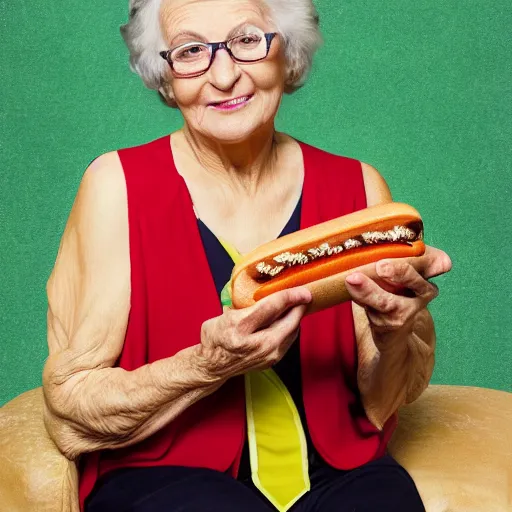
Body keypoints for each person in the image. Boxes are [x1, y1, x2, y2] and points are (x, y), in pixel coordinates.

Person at [42, 0, 452, 511]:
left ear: (288, 52)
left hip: (336, 473)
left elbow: (381, 401)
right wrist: (204, 365)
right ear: (166, 76)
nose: (225, 75)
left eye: (247, 40)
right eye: (191, 51)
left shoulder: (359, 187)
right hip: (166, 476)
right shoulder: (117, 186)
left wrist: (395, 337)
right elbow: (70, 405)